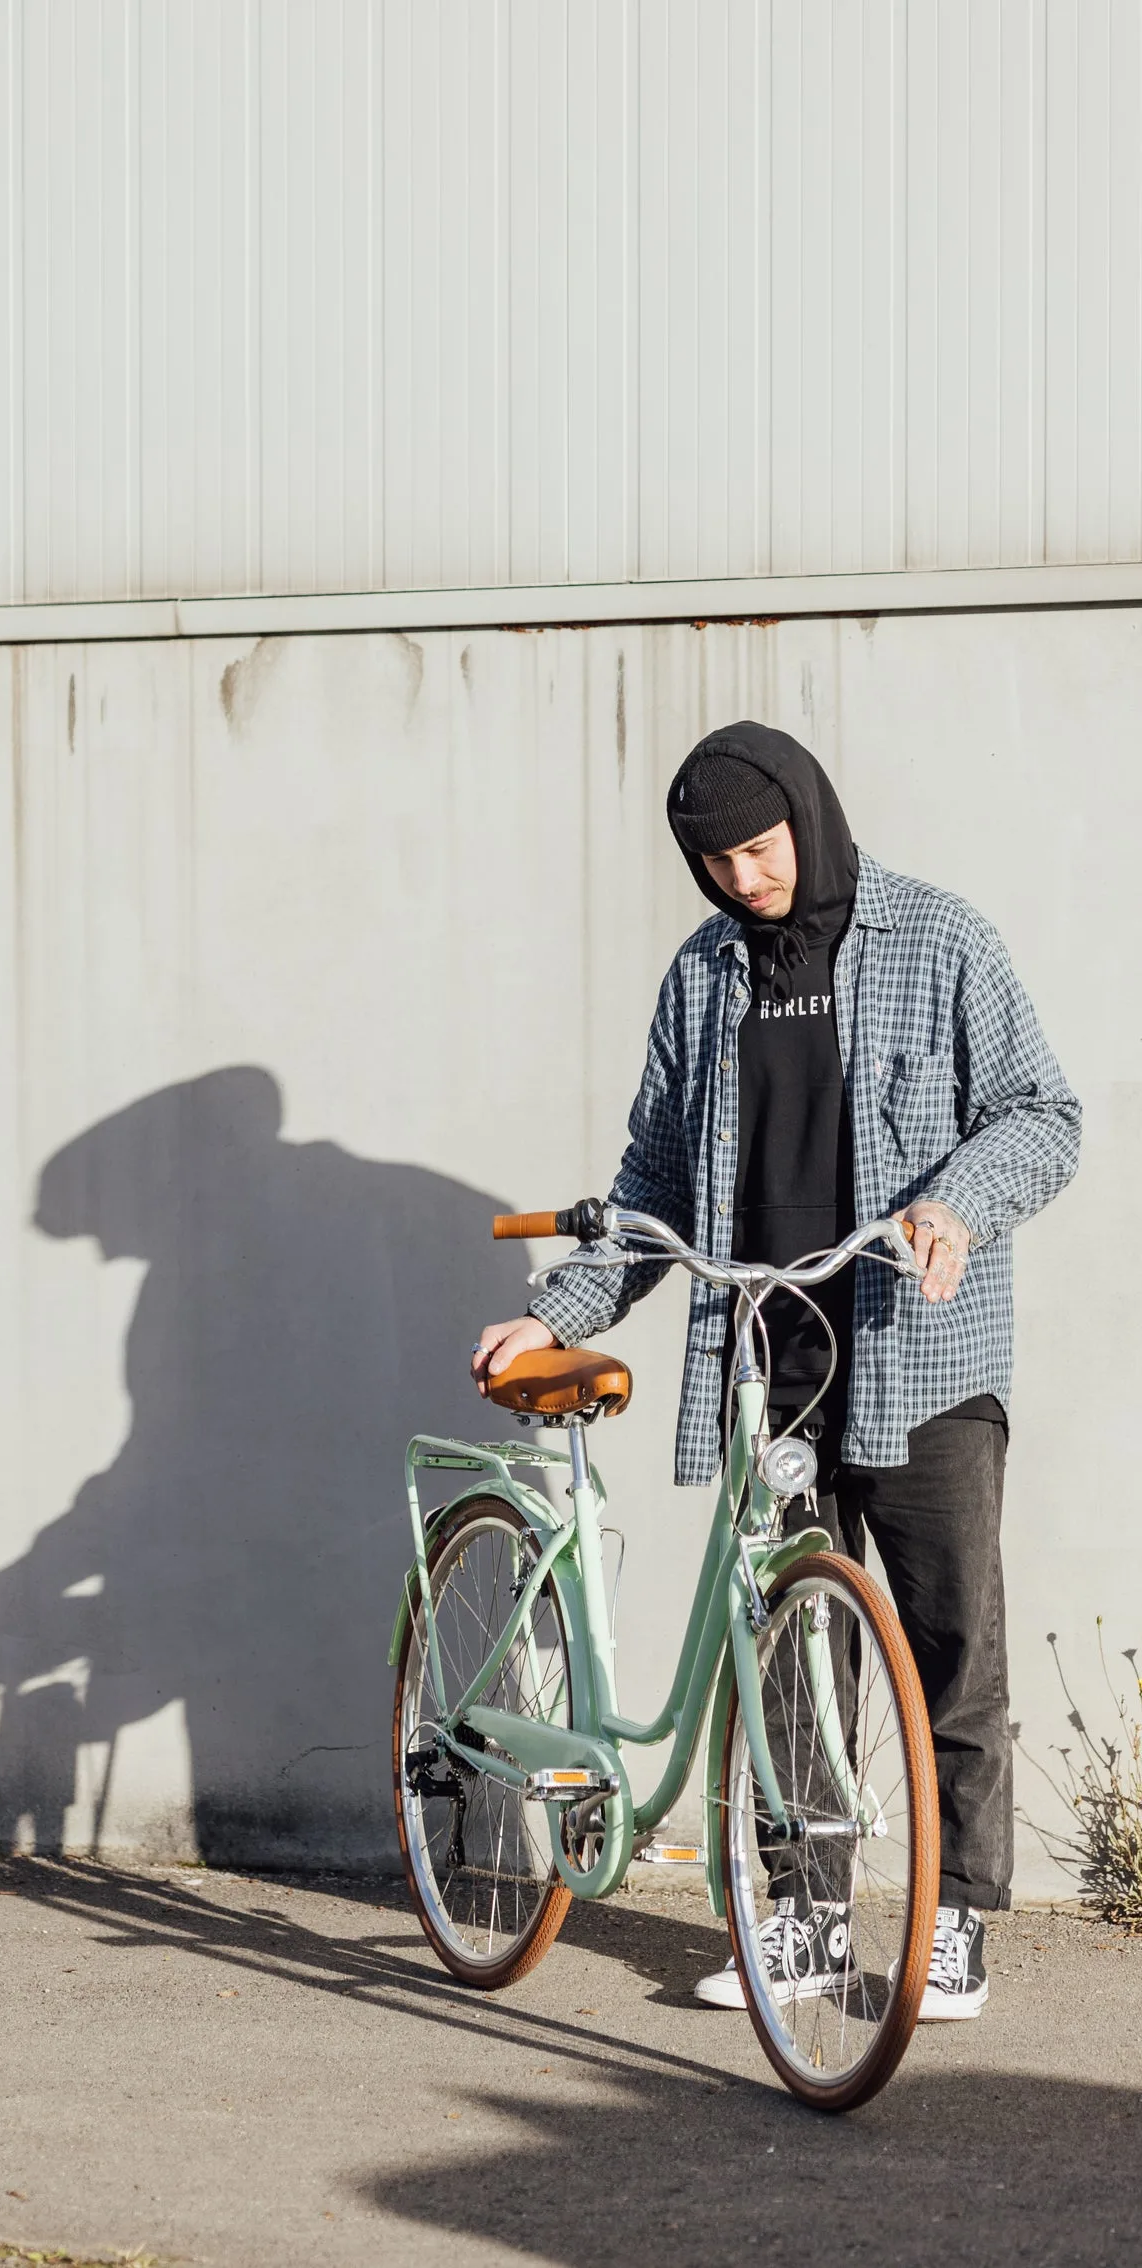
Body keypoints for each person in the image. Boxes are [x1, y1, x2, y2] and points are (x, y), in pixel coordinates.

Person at [471, 722, 1081, 2019]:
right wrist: (559, 1314)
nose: (744, 879)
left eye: (759, 848)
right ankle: (799, 1920)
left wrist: (957, 1206)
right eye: (716, 861)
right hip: (772, 1365)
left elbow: (1043, 1114)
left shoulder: (940, 938)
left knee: (949, 1649)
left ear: (809, 814)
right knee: (788, 1661)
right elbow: (648, 1182)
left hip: (923, 1363)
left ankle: (956, 1919)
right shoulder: (704, 979)